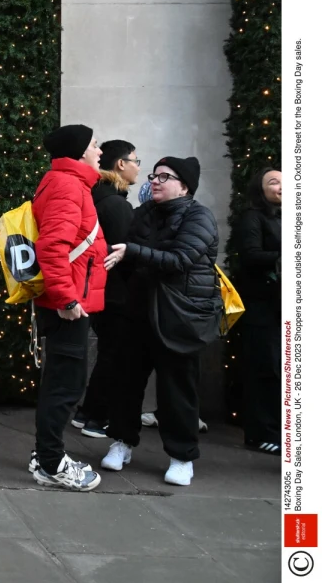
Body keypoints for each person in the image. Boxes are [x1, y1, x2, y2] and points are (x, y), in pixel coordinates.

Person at [101, 156, 219, 487]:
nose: (154, 181)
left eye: (165, 177)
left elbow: (180, 259)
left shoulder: (200, 217)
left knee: (177, 391)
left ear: (185, 186)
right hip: (138, 312)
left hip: (180, 318)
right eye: (154, 175)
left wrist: (133, 253)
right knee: (125, 383)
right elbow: (124, 255)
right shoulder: (144, 214)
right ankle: (122, 442)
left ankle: (182, 457)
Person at [29, 124, 108, 492]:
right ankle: (51, 462)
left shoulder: (67, 182)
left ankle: (45, 454)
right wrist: (67, 298)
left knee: (60, 382)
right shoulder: (67, 185)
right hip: (68, 304)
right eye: (94, 145)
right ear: (78, 151)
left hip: (69, 300)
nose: (100, 151)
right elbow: (52, 246)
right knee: (66, 385)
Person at [73, 140, 140, 438]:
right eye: (136, 160)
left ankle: (87, 412)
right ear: (121, 164)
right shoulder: (116, 204)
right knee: (115, 356)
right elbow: (126, 253)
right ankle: (96, 417)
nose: (139, 167)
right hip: (117, 293)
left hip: (100, 291)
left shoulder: (98, 197)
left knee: (109, 354)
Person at [234, 167, 282, 455]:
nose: (281, 187)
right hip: (262, 305)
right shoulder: (252, 217)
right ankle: (260, 432)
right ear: (260, 190)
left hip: (283, 304)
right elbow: (250, 256)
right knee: (265, 368)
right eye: (274, 182)